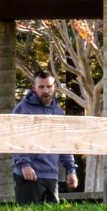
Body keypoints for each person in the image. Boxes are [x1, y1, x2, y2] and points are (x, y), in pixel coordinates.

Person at [10, 70, 78, 204]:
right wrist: (24, 165)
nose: (45, 90)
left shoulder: (58, 112)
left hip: (52, 175)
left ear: (54, 87)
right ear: (34, 88)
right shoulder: (22, 109)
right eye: (41, 87)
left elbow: (64, 143)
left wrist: (71, 170)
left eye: (49, 86)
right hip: (28, 174)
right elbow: (17, 139)